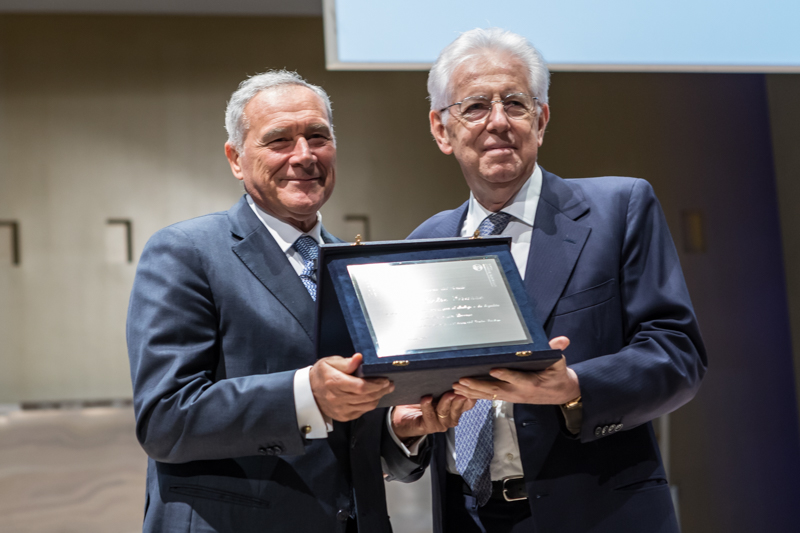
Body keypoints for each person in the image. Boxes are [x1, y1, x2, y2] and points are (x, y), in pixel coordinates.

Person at [397, 28, 708, 533]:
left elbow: (678, 354)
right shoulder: (422, 245)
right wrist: (406, 427)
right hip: (468, 517)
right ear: (441, 129)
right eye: (475, 106)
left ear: (540, 120)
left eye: (515, 104)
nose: (498, 121)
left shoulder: (620, 209)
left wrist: (575, 387)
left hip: (599, 515)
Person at [126, 70, 450, 533]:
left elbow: (350, 435)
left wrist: (399, 429)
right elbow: (164, 420)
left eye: (317, 136)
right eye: (279, 140)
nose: (304, 156)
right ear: (236, 159)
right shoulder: (186, 252)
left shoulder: (358, 266)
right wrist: (306, 394)